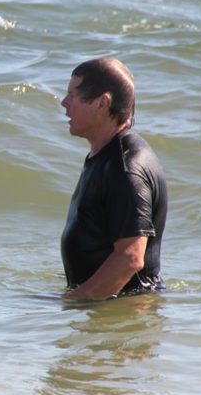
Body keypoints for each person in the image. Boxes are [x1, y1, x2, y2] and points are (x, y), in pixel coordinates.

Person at [59, 56, 167, 300]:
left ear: (102, 103)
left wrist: (70, 301)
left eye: (73, 95)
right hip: (109, 307)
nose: (64, 103)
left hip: (124, 313)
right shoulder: (106, 156)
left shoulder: (125, 167)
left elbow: (130, 258)